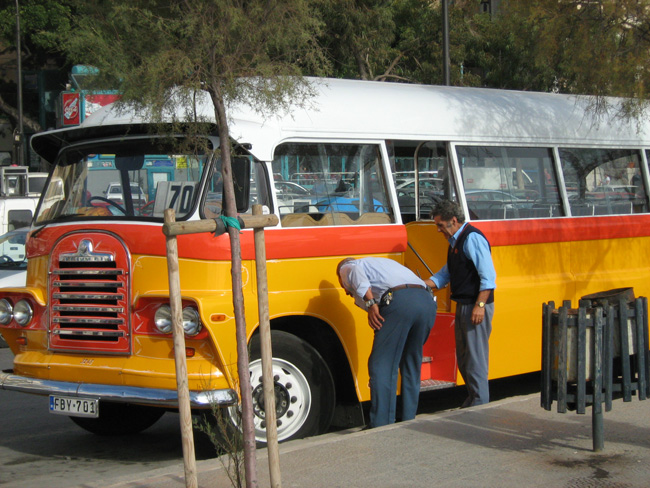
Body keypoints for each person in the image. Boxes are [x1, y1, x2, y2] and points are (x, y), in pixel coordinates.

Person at [337, 257, 437, 428]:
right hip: (426, 302)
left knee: (381, 364)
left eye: (343, 286)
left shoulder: (348, 266)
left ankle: (382, 424)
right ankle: (408, 420)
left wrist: (370, 302)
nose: (346, 291)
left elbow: (354, 273)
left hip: (400, 302)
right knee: (410, 361)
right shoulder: (383, 264)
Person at [424, 200, 496, 408]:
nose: (438, 230)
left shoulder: (471, 238)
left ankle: (480, 405)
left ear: (453, 221)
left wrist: (480, 306)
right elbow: (444, 274)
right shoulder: (456, 242)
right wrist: (421, 285)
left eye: (440, 225)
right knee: (464, 359)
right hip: (464, 305)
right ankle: (474, 398)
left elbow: (488, 278)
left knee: (475, 359)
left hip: (474, 306)